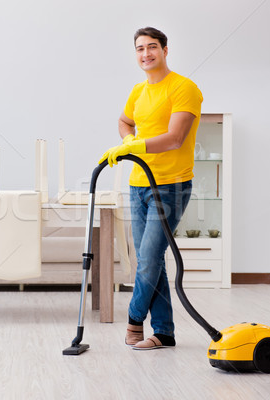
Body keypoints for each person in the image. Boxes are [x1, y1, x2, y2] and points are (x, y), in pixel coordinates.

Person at [99, 27, 203, 350]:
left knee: (148, 258)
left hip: (171, 186)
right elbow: (124, 121)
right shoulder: (138, 91)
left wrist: (136, 145)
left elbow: (175, 138)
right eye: (140, 49)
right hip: (139, 186)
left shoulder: (184, 88)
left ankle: (133, 320)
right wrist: (128, 139)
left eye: (152, 47)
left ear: (165, 50)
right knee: (150, 259)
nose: (146, 54)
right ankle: (164, 332)